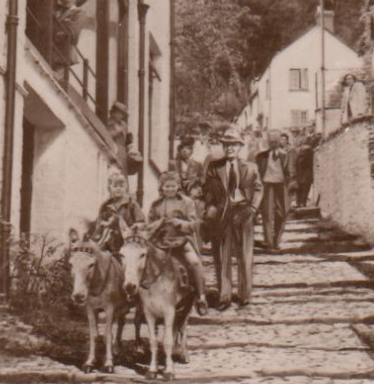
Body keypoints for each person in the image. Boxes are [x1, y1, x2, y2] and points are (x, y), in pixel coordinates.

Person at [202, 125, 262, 310]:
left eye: (234, 145)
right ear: (223, 146)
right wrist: (211, 206)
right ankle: (224, 296)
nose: (230, 148)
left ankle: (244, 295)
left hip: (244, 213)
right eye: (226, 145)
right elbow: (208, 190)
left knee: (244, 255)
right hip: (223, 215)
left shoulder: (250, 168)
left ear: (239, 147)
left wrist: (252, 208)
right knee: (223, 255)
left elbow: (259, 188)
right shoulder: (214, 167)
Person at [146, 171, 208, 315]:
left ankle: (201, 296)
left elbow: (193, 225)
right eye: (167, 186)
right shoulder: (156, 204)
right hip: (161, 242)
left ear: (178, 186)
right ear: (161, 187)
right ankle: (143, 299)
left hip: (182, 241)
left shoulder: (187, 202)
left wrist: (179, 223)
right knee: (144, 262)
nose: (170, 189)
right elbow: (149, 226)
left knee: (194, 263)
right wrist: (158, 223)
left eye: (173, 186)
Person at [93, 170, 145, 254]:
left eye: (121, 186)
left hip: (128, 241)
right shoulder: (105, 206)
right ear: (110, 188)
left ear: (126, 188)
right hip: (109, 242)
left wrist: (135, 226)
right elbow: (99, 225)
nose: (118, 189)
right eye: (115, 186)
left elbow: (141, 222)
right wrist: (104, 225)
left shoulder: (131, 204)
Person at [256, 130, 292, 250]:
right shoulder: (261, 156)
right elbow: (257, 173)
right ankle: (269, 242)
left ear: (279, 142)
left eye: (275, 141)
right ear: (268, 142)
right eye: (271, 142)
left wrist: (288, 184)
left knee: (282, 213)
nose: (273, 144)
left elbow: (290, 171)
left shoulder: (285, 155)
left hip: (281, 186)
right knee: (267, 213)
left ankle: (277, 240)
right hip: (267, 185)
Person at [108, 100, 143, 178]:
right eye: (118, 113)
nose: (120, 116)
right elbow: (107, 135)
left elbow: (128, 141)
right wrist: (117, 130)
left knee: (122, 175)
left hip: (123, 153)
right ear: (113, 112)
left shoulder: (124, 125)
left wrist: (131, 150)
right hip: (113, 151)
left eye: (122, 114)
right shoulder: (108, 123)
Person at [53, 0, 83, 69]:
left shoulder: (78, 12)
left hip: (65, 53)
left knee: (60, 79)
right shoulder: (57, 12)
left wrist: (52, 35)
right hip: (51, 52)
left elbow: (72, 32)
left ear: (75, 0)